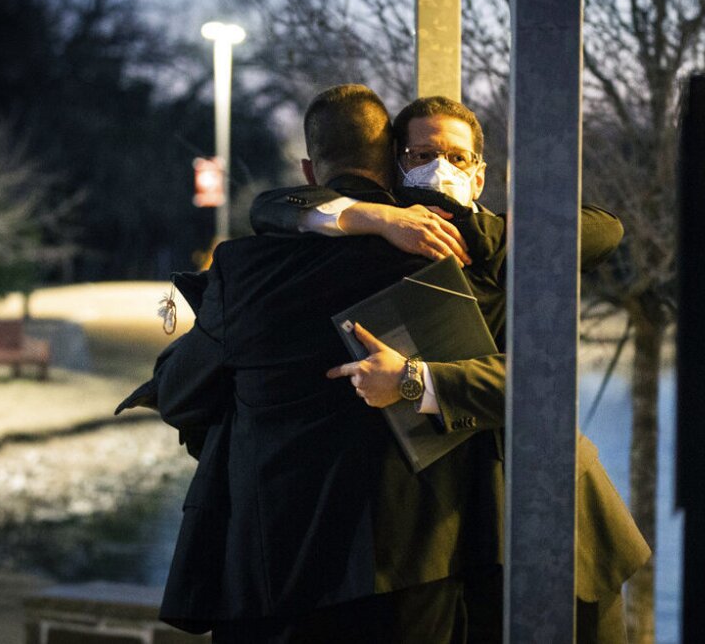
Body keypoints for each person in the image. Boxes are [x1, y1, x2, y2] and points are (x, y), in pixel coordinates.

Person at [249, 95, 651, 643]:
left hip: (559, 522)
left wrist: (493, 234)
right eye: (421, 154)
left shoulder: (509, 247)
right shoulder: (384, 238)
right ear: (396, 167)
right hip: (458, 538)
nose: (441, 167)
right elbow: (271, 206)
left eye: (457, 158)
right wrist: (375, 215)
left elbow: (605, 230)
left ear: (480, 174)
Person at [120, 85, 511, 643]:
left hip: (273, 573)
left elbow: (181, 396)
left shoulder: (245, 270)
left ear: (310, 169)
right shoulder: (455, 260)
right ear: (394, 163)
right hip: (414, 572)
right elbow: (516, 386)